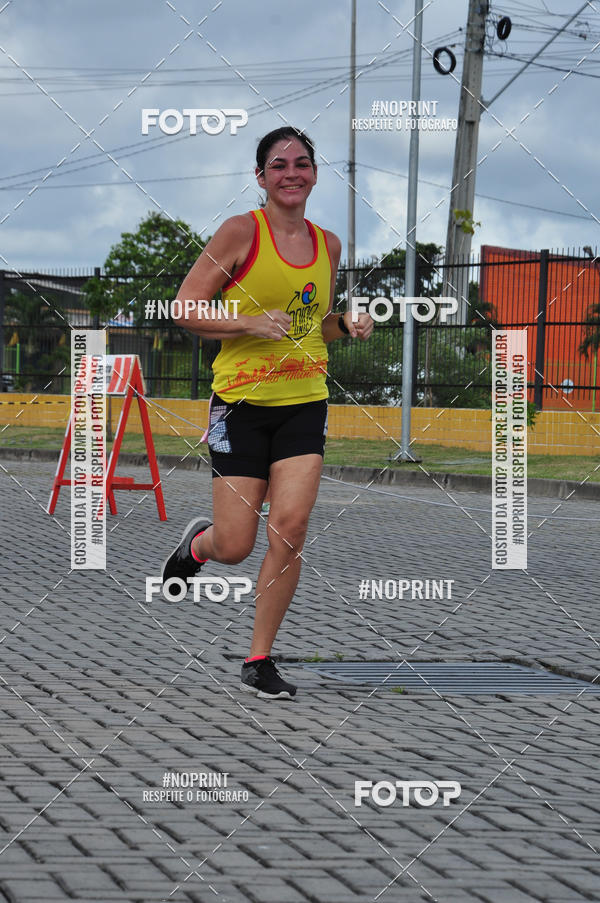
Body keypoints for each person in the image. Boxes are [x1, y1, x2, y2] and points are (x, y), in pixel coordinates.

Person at [163, 126, 373, 699]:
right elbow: (184, 308)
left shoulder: (327, 245)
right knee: (236, 545)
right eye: (278, 165)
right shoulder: (239, 233)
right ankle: (197, 546)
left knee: (292, 528)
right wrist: (248, 323)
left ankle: (259, 659)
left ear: (313, 173)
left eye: (302, 163)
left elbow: (316, 323)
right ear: (261, 177)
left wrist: (348, 326)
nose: (291, 173)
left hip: (305, 401)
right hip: (240, 404)